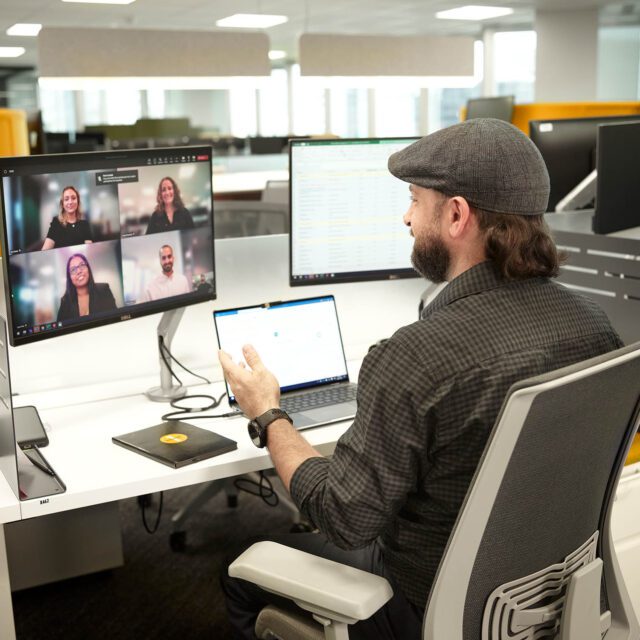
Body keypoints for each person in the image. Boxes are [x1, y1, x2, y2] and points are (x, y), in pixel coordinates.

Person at [218, 119, 623, 640]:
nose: (407, 218)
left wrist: (269, 414)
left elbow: (344, 517)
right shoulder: (595, 325)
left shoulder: (414, 357)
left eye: (414, 200)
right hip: (548, 601)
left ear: (456, 215)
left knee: (240, 573)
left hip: (427, 609)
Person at [57, 253, 116, 321]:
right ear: (69, 277)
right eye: (73, 270)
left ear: (88, 268)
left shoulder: (104, 290)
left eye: (82, 265)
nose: (79, 271)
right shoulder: (65, 301)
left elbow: (114, 318)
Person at [42, 186, 93, 250]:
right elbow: (45, 250)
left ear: (78, 202)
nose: (70, 202)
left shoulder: (85, 224)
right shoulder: (56, 222)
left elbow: (89, 249)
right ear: (62, 204)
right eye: (66, 199)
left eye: (73, 198)